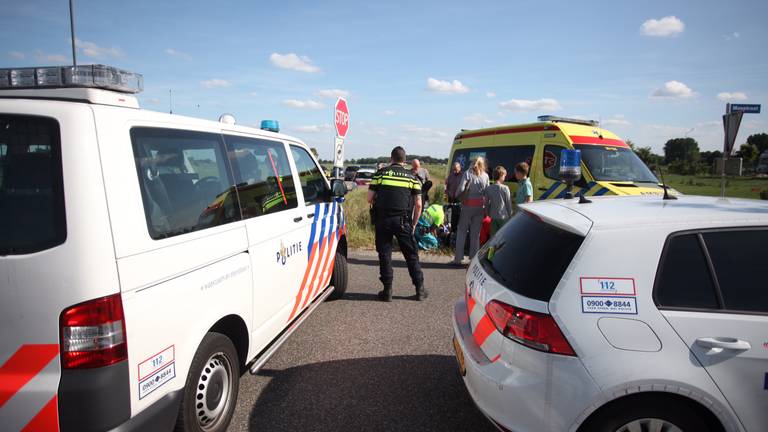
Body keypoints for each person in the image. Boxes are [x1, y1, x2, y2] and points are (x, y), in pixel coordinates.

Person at [368, 146, 427, 301]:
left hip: (383, 220)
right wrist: (414, 223)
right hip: (403, 221)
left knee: (385, 254)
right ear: (405, 160)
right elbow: (419, 204)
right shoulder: (413, 178)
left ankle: (387, 290)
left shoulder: (380, 174)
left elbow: (369, 198)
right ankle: (420, 289)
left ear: (391, 159)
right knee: (411, 255)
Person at [451, 157, 489, 265]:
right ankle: (473, 259)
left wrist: (457, 195)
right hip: (480, 208)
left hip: (467, 206)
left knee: (462, 232)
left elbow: (461, 189)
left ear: (472, 163)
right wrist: (485, 208)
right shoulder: (485, 176)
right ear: (483, 165)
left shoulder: (467, 174)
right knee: (475, 234)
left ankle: (458, 258)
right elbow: (486, 193)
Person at [483, 165, 513, 237]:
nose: (505, 177)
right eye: (504, 176)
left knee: (493, 237)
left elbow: (486, 203)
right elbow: (508, 204)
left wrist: (487, 214)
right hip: (504, 217)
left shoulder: (488, 188)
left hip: (493, 217)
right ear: (501, 175)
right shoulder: (505, 188)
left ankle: (493, 248)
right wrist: (510, 216)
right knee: (504, 236)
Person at [444, 162, 462, 231]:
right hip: (450, 199)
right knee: (449, 217)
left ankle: (456, 231)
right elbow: (446, 187)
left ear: (459, 168)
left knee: (457, 217)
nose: (454, 171)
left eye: (456, 169)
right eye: (453, 169)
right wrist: (445, 198)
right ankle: (450, 231)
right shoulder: (451, 176)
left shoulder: (462, 176)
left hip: (459, 200)